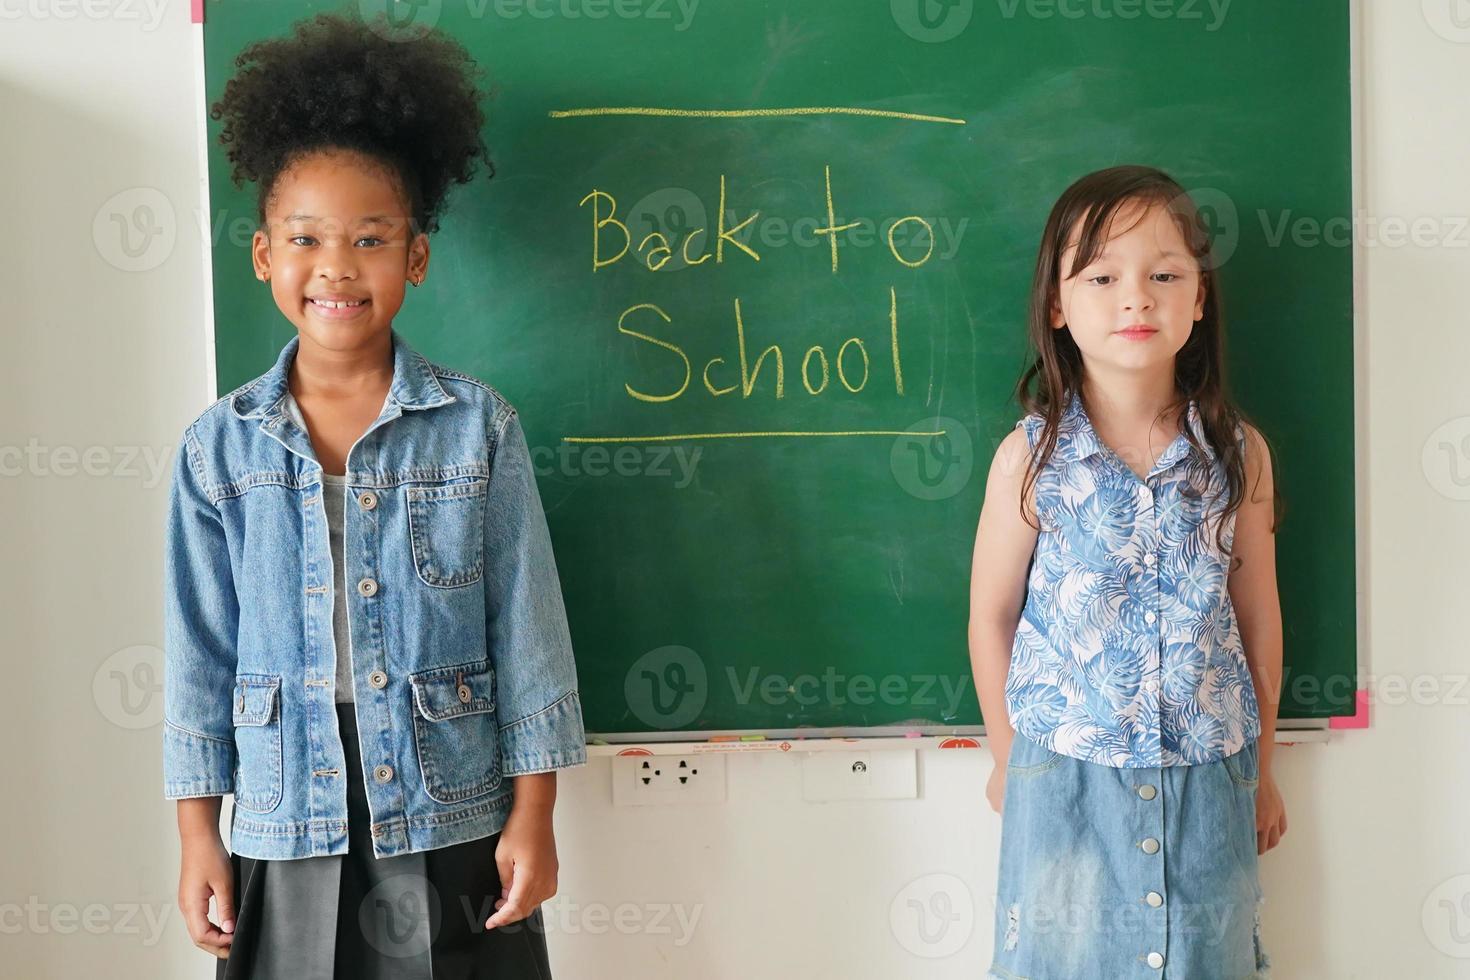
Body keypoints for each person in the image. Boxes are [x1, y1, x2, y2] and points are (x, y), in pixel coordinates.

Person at [161, 12, 586, 977]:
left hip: (452, 807)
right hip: (282, 810)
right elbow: (199, 655)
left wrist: (536, 813)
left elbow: (529, 634)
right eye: (305, 238)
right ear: (265, 254)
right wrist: (197, 833)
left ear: (416, 256)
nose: (337, 266)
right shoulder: (218, 450)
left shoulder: (480, 431)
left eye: (370, 238)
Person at [967, 165, 1288, 977]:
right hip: (1065, 779)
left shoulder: (1239, 455)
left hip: (1211, 779)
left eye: (1164, 275)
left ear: (1200, 299)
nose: (1135, 298)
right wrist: (1011, 759)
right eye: (1102, 276)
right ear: (1057, 305)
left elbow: (1258, 617)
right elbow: (991, 616)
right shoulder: (1029, 460)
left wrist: (1266, 773)